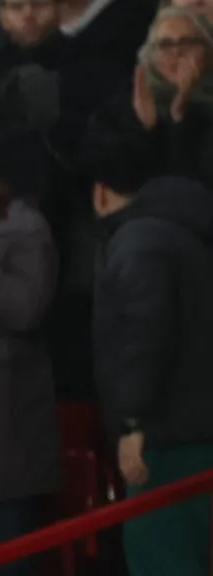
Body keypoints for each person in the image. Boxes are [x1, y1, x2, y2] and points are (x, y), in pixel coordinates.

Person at [83, 116, 213, 576]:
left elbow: (143, 334)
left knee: (163, 557)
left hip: (164, 439)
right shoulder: (188, 230)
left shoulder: (138, 241)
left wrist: (133, 421)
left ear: (101, 192)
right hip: (197, 434)